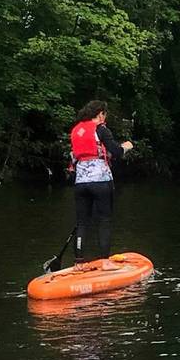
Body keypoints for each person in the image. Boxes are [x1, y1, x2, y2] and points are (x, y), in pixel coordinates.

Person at [69, 100, 133, 268]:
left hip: (81, 183)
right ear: (100, 114)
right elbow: (116, 152)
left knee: (82, 222)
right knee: (104, 220)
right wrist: (126, 146)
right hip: (101, 182)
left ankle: (78, 263)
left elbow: (75, 156)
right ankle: (105, 261)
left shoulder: (76, 130)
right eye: (105, 114)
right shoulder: (101, 129)